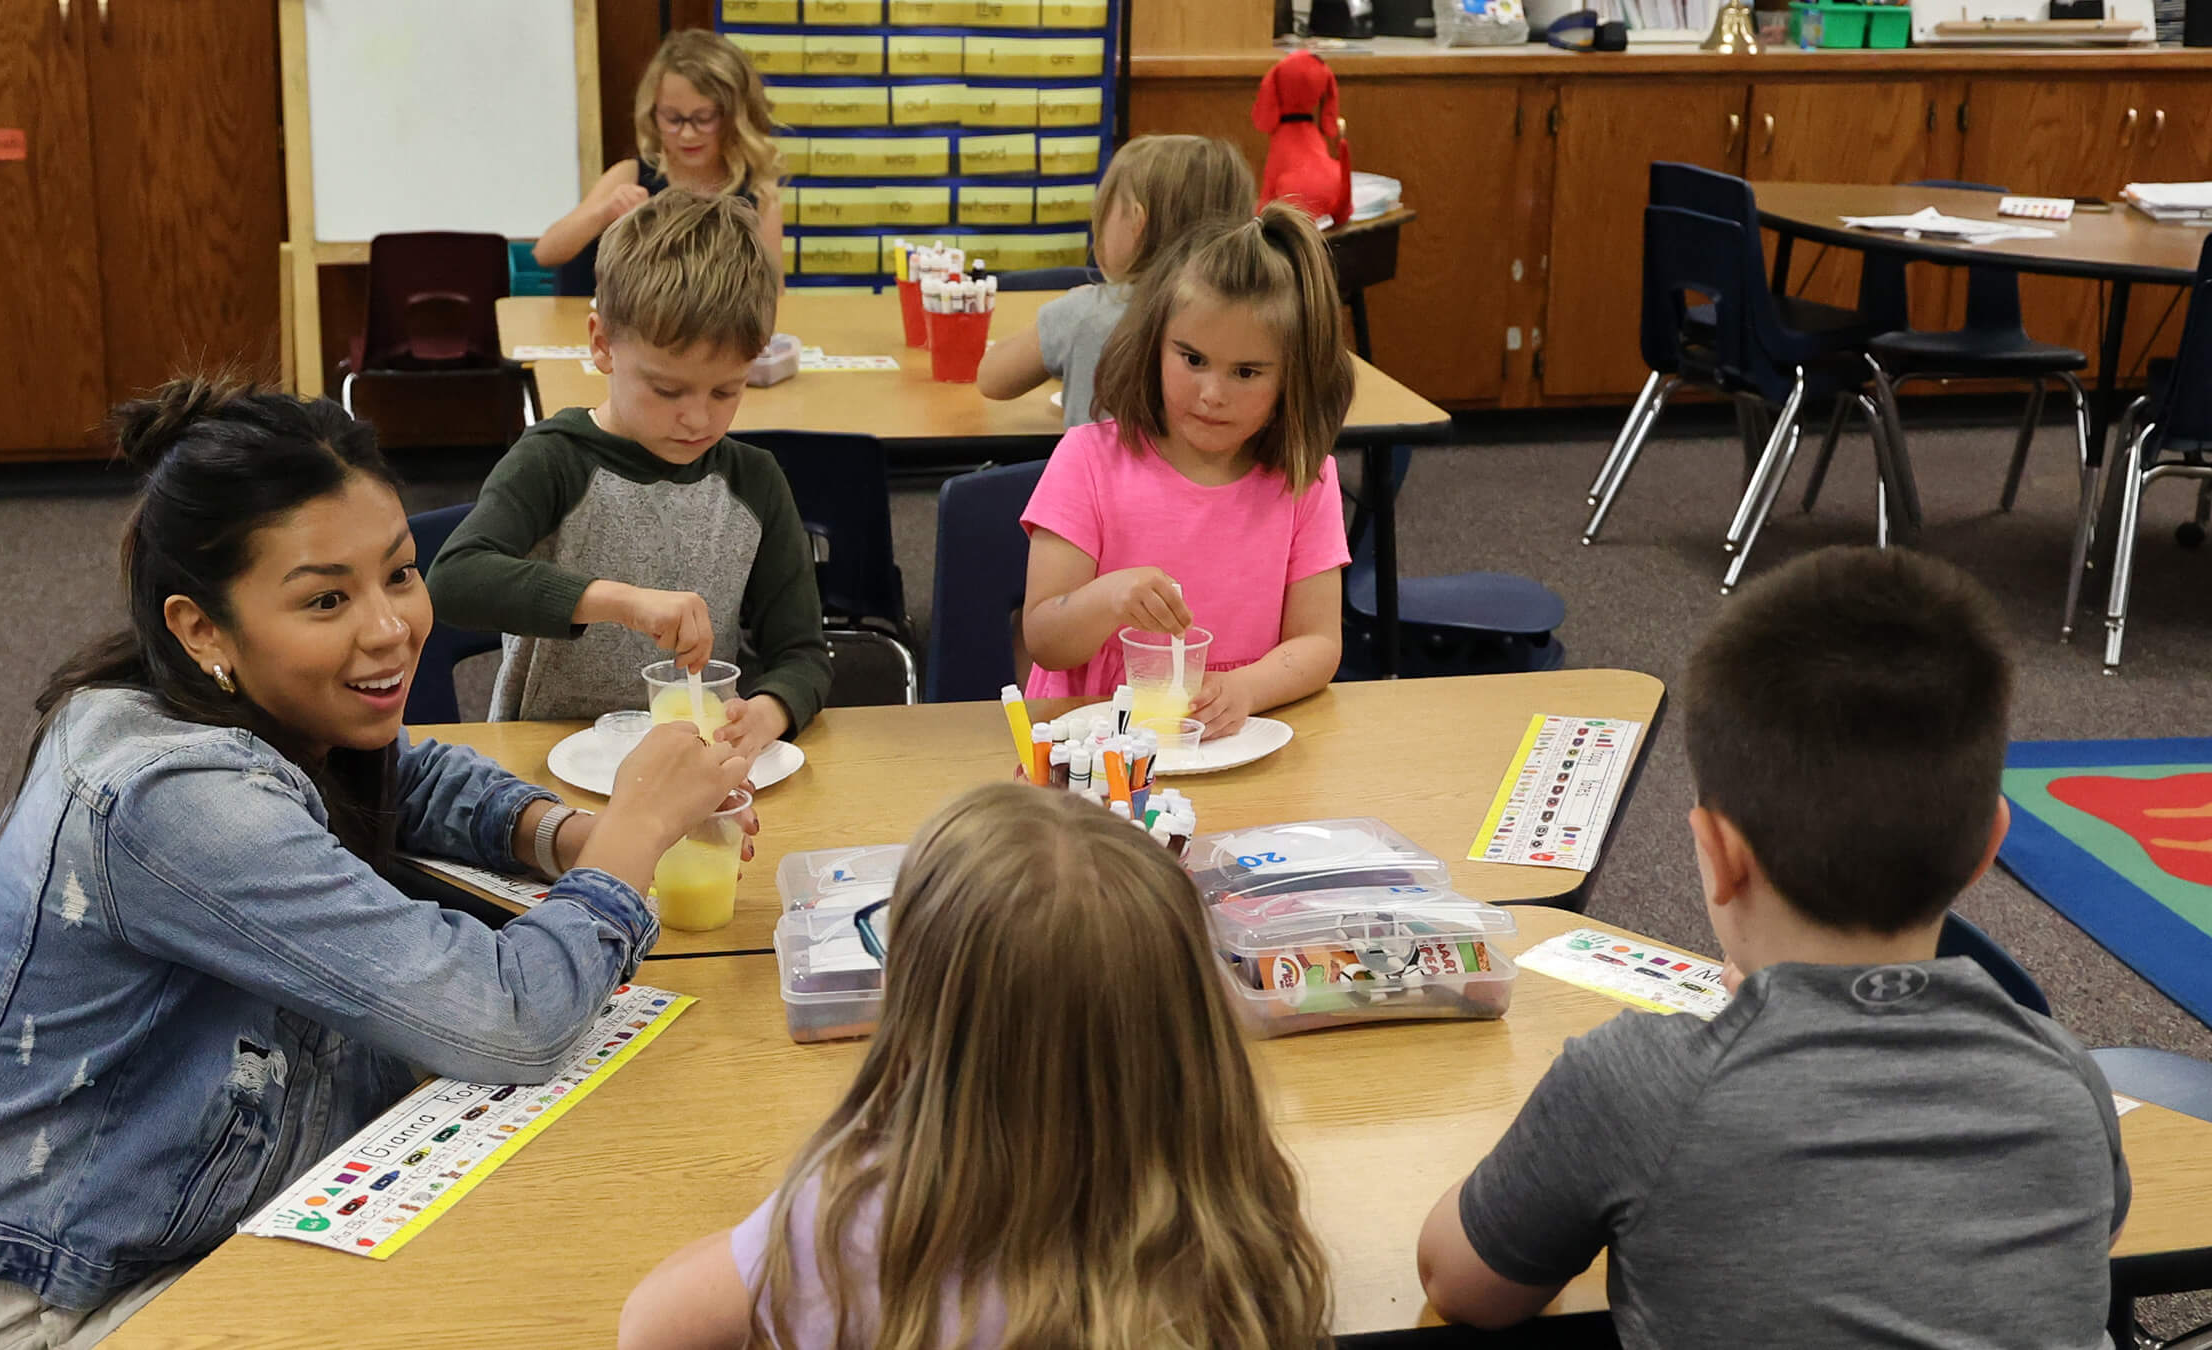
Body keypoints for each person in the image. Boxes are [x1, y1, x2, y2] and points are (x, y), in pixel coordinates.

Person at [0, 378, 752, 1349]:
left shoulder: (235, 694)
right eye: (327, 598)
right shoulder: (172, 794)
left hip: (195, 1206)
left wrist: (569, 836)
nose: (389, 628)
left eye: (400, 574)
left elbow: (400, 773)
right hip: (62, 1292)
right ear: (201, 628)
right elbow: (511, 1023)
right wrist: (632, 832)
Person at [1416, 547, 2131, 1350]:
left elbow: (1462, 1284)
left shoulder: (1634, 1086)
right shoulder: (2065, 1075)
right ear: (1986, 847)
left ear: (1719, 854)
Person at [616, 782, 1333, 1350]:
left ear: (922, 1004)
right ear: (1189, 1021)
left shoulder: (857, 1220)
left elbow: (651, 1325)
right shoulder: (1232, 1211)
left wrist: (786, 1219)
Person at [428, 190, 829, 755]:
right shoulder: (554, 459)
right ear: (602, 344)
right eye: (666, 389)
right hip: (549, 761)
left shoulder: (754, 482)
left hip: (690, 764)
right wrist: (619, 601)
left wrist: (768, 713)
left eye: (726, 390)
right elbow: (452, 581)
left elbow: (803, 654)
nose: (697, 417)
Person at [1017, 204, 1355, 738]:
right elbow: (1045, 640)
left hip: (1236, 740)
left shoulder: (1305, 480)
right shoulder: (1087, 459)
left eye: (1246, 372)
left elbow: (1318, 644)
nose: (1211, 394)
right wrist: (1109, 598)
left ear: (1293, 380)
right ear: (1155, 346)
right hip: (1095, 748)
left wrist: (1248, 687)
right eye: (1192, 359)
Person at [976, 134, 1256, 430]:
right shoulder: (1257, 316)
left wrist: (1066, 316)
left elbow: (992, 379)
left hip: (1095, 477)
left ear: (1137, 222)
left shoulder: (1088, 311)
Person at [532, 29, 785, 276]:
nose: (687, 134)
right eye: (673, 118)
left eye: (703, 118)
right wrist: (604, 213)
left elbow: (773, 299)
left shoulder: (758, 194)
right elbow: (544, 253)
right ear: (653, 114)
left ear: (733, 117)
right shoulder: (631, 174)